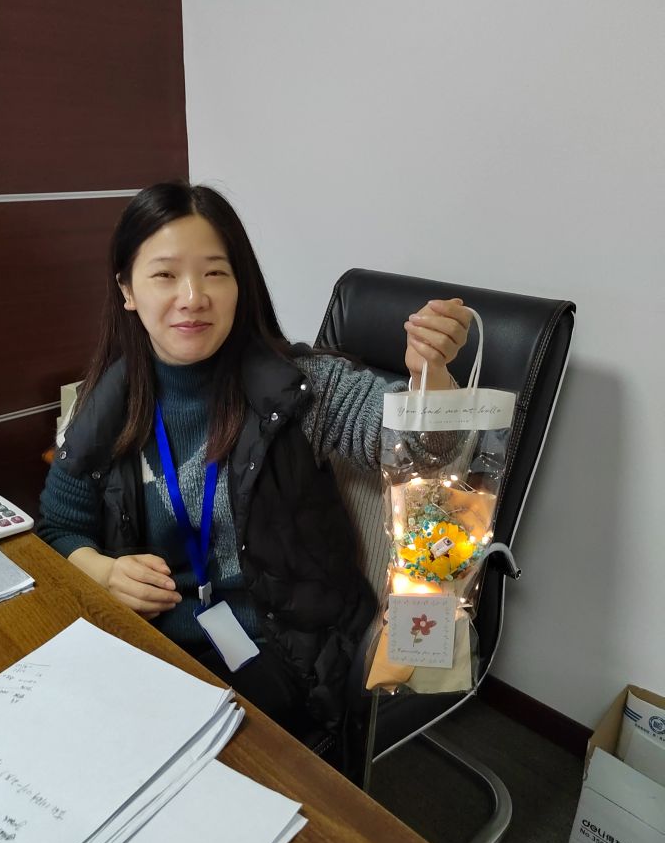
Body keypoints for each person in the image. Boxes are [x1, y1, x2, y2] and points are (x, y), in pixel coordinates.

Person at [38, 181, 471, 756]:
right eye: (165, 275)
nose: (192, 297)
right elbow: (58, 528)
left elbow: (421, 449)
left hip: (283, 655)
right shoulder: (108, 403)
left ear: (240, 284)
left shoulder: (297, 387)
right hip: (151, 644)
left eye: (214, 273)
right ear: (127, 290)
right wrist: (100, 570)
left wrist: (429, 376)